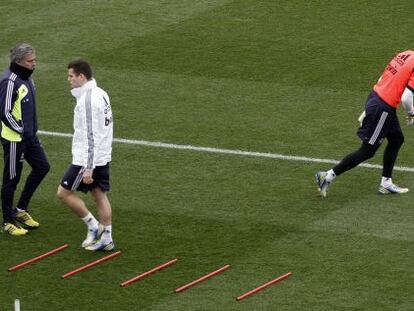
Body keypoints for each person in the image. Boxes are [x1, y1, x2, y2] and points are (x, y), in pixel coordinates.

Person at [315, 50, 414, 197]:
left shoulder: (406, 54)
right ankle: (327, 176)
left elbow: (385, 76)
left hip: (377, 97)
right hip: (383, 107)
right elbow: (407, 97)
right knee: (367, 150)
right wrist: (411, 113)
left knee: (397, 139)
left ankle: (386, 183)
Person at [57, 59, 114, 251]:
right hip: (102, 155)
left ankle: (92, 225)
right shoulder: (101, 93)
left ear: (82, 76)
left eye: (71, 76)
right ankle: (107, 238)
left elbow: (91, 135)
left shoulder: (88, 100)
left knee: (63, 193)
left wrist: (89, 167)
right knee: (99, 194)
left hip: (87, 159)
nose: (69, 80)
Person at [0, 43, 50, 235]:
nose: (34, 64)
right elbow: (4, 113)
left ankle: (20, 210)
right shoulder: (9, 81)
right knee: (11, 179)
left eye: (35, 60)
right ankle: (7, 221)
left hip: (29, 138)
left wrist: (32, 133)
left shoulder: (28, 79)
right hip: (15, 140)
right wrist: (21, 131)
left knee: (42, 167)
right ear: (19, 62)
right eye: (31, 61)